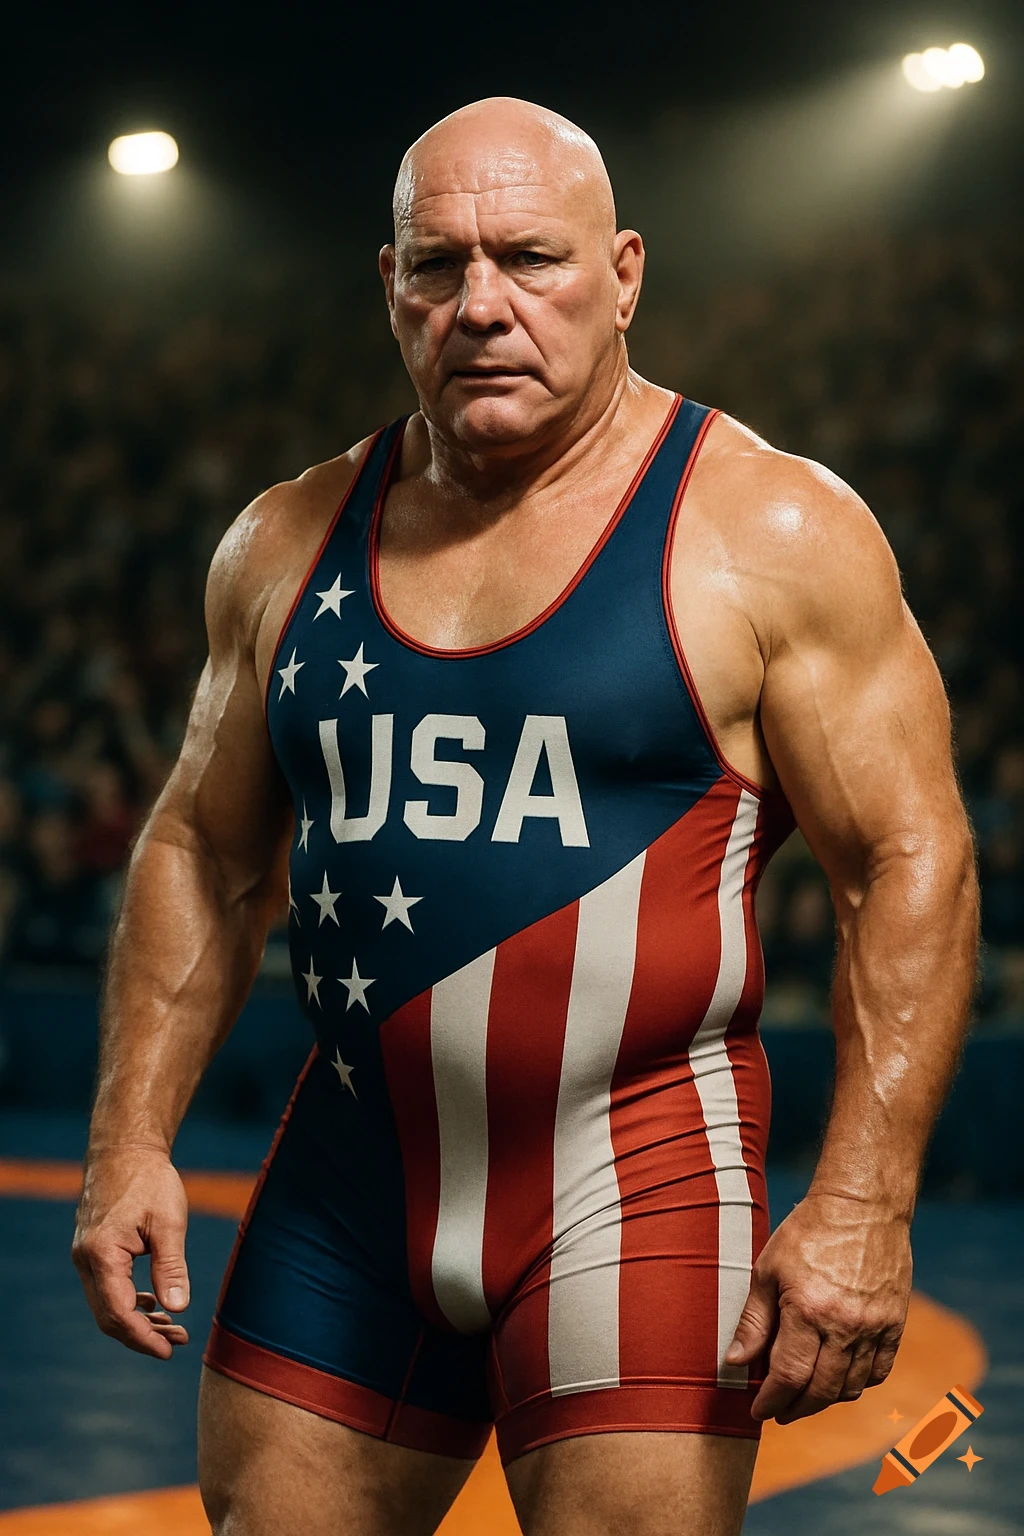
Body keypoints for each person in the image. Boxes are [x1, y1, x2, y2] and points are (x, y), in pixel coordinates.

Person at [72, 98, 978, 1536]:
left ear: (624, 275)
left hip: (640, 1181)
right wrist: (129, 1143)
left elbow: (908, 858)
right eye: (438, 266)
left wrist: (865, 1199)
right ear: (389, 287)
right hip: (349, 1186)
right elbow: (201, 845)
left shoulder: (768, 532)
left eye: (532, 260)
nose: (481, 304)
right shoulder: (285, 539)